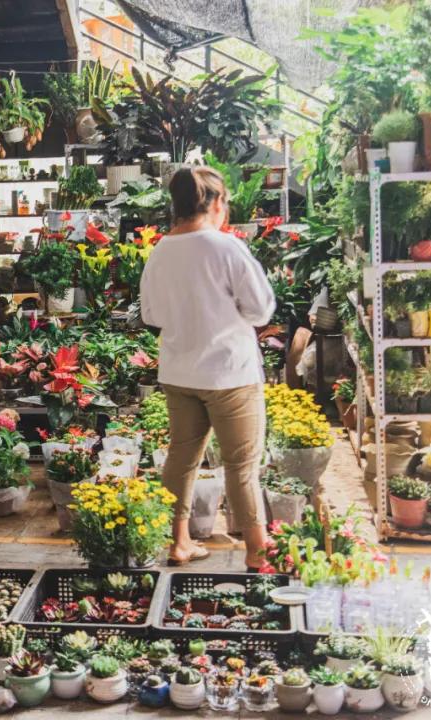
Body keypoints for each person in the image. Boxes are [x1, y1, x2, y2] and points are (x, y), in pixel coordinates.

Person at [140, 166, 276, 571]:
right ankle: (257, 550)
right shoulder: (226, 247)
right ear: (216, 203)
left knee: (181, 459)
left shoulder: (160, 251)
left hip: (180, 373)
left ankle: (179, 543)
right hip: (230, 374)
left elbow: (151, 315)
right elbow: (261, 309)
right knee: (241, 465)